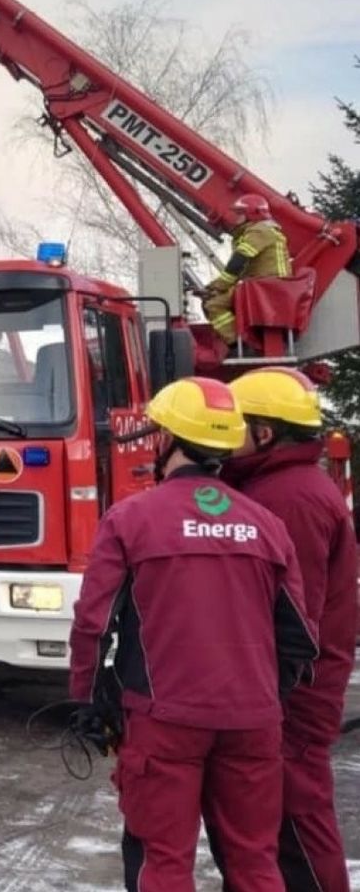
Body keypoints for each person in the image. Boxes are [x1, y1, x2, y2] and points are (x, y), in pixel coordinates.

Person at [69, 376, 318, 892]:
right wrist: (265, 695)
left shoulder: (130, 520)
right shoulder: (266, 524)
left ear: (166, 440)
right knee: (254, 862)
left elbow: (94, 625)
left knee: (162, 861)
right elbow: (298, 633)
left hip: (164, 721)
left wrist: (92, 702)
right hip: (253, 721)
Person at [209, 367, 357, 892]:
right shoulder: (281, 485)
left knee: (295, 818)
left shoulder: (287, 499)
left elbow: (290, 615)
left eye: (234, 426)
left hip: (293, 694)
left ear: (265, 433)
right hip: (290, 688)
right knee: (269, 823)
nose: (222, 437)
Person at [202, 193, 292, 347]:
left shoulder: (259, 231)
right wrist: (216, 288)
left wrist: (218, 286)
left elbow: (238, 262)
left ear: (252, 214)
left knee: (214, 305)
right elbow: (242, 269)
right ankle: (241, 341)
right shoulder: (260, 231)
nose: (236, 219)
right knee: (215, 300)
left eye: (240, 214)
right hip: (265, 286)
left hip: (266, 287)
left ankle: (240, 344)